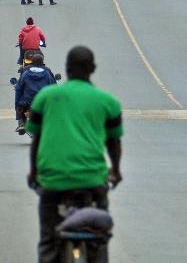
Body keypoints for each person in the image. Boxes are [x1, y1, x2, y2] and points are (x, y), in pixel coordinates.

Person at [27, 46, 123, 262]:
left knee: (49, 241)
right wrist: (115, 170)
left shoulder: (46, 97)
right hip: (93, 181)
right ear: (93, 69)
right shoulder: (108, 101)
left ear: (67, 68)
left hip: (53, 181)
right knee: (100, 240)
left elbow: (37, 139)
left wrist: (34, 171)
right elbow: (113, 142)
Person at [14, 52, 57, 134]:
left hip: (27, 101)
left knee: (20, 106)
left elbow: (19, 88)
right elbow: (53, 87)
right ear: (42, 62)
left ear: (32, 62)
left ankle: (21, 123)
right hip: (43, 101)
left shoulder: (25, 72)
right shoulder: (47, 72)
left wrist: (17, 105)